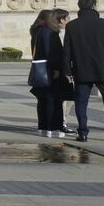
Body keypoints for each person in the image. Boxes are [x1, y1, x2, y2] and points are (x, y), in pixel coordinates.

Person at [61, 0, 104, 143]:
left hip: (81, 70)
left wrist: (67, 71)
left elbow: (67, 51)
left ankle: (83, 133)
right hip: (102, 70)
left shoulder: (72, 26)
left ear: (79, 7)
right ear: (94, 6)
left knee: (81, 102)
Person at [29, 8, 71, 138]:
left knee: (43, 100)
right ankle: (54, 127)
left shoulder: (37, 32)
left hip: (41, 69)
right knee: (54, 100)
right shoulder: (49, 33)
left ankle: (43, 126)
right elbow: (51, 52)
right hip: (50, 71)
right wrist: (56, 69)